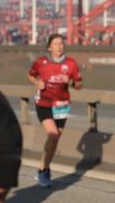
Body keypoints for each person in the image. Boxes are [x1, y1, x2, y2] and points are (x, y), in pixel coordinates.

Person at [28, 34, 82, 188]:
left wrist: (70, 82)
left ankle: (41, 168)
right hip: (44, 103)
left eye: (61, 43)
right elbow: (30, 76)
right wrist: (37, 82)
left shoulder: (71, 64)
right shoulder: (41, 63)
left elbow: (80, 85)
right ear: (49, 47)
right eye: (56, 43)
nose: (59, 46)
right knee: (53, 134)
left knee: (55, 138)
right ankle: (45, 171)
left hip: (62, 105)